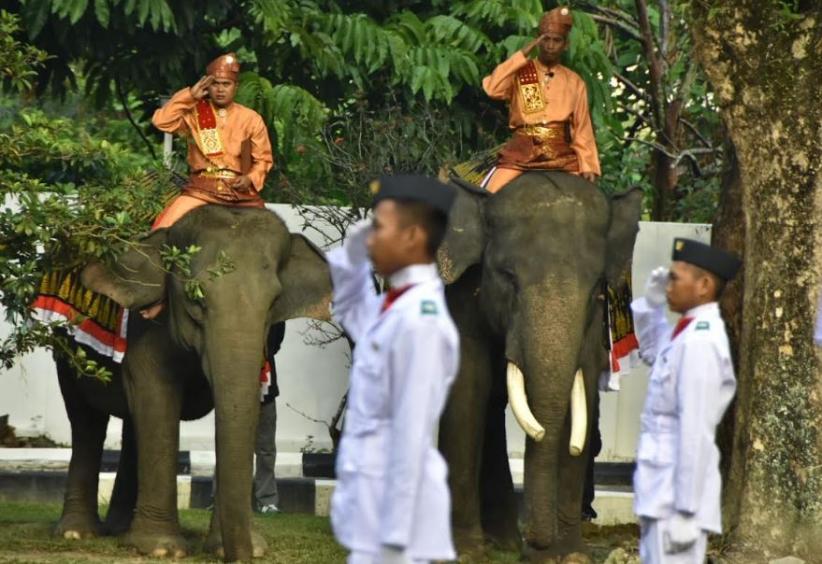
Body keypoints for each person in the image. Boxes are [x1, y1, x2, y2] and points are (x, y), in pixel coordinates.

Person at [328, 175, 459, 564]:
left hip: (393, 521)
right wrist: (350, 259)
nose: (370, 238)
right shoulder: (394, 305)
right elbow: (350, 311)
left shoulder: (421, 320)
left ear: (412, 236)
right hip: (373, 506)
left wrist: (397, 533)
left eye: (379, 228)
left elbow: (411, 429)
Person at [631, 238, 741, 563]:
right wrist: (649, 305)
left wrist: (686, 509)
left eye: (675, 278)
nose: (667, 285)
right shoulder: (686, 332)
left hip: (676, 500)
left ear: (704, 285)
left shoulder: (701, 343)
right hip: (659, 490)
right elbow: (651, 350)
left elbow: (696, 431)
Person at [143, 52, 273, 318]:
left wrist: (249, 177)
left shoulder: (251, 118)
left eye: (226, 84)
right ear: (208, 85)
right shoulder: (195, 112)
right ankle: (160, 296)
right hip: (202, 188)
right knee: (163, 229)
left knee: (270, 241)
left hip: (241, 193)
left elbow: (264, 160)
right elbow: (161, 121)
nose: (221, 89)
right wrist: (189, 95)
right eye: (215, 84)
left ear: (235, 87)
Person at [481, 7, 600, 193]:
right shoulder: (521, 71)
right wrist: (521, 55)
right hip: (521, 152)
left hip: (561, 155)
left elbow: (582, 127)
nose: (550, 46)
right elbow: (492, 88)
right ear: (538, 40)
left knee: (587, 201)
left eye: (556, 41)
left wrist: (588, 165)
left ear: (565, 44)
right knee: (488, 195)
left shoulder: (575, 82)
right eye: (546, 39)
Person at [255, 321, 286, 513]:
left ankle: (267, 499)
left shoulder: (273, 311)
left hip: (265, 385)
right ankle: (221, 498)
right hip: (233, 387)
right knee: (229, 444)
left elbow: (277, 340)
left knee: (266, 448)